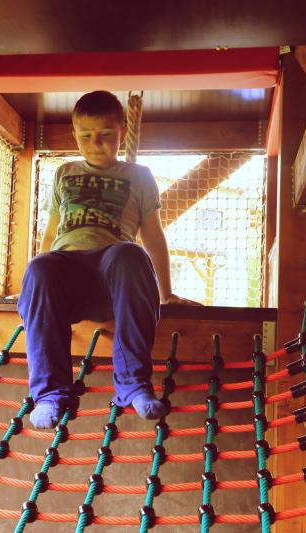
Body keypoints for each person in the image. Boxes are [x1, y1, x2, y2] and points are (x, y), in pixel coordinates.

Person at [17, 91, 197, 429]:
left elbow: (153, 236)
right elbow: (51, 232)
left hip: (112, 280)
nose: (95, 143)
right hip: (67, 277)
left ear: (122, 133)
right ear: (74, 134)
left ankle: (133, 385)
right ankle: (50, 394)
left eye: (105, 134)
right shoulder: (65, 172)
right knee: (40, 267)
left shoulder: (139, 175)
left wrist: (166, 293)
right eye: (86, 135)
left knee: (129, 252)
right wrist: (30, 285)